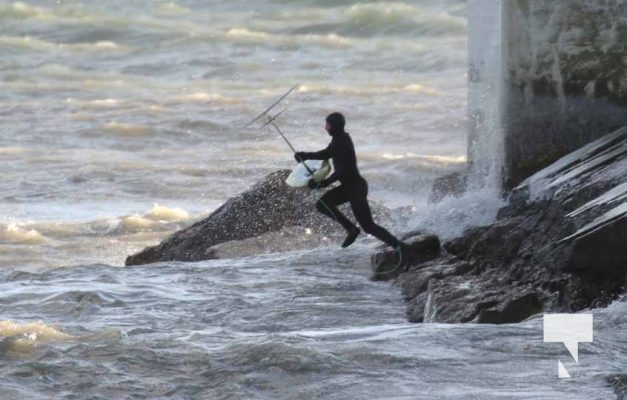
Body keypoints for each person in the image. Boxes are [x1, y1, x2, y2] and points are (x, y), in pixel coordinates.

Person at [295, 112, 415, 270]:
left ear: (334, 126)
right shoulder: (339, 139)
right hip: (349, 187)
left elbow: (342, 172)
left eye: (327, 125)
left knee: (369, 226)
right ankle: (351, 229)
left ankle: (401, 248)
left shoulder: (342, 142)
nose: (325, 128)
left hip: (355, 188)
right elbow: (325, 154)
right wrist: (304, 155)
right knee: (323, 204)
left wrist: (323, 183)